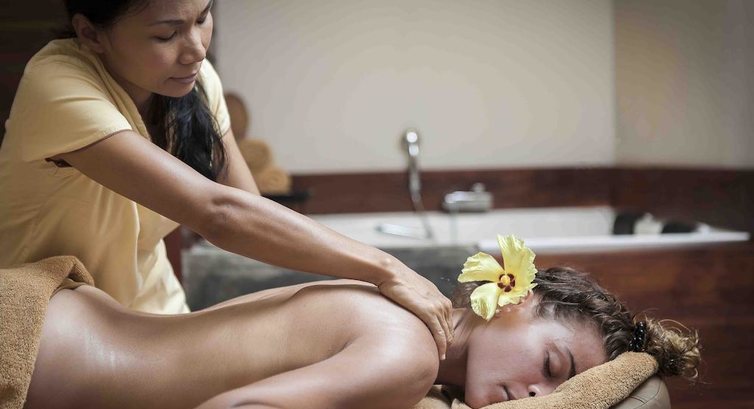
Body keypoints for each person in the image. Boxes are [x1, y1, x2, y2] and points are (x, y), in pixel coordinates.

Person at [0, 0, 453, 356]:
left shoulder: (194, 83)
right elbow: (220, 215)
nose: (197, 48)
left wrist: (363, 284)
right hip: (55, 327)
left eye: (203, 17)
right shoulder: (57, 84)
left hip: (159, 317)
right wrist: (385, 267)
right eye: (166, 34)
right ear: (90, 34)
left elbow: (250, 208)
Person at [24, 265, 701, 409]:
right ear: (514, 299)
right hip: (35, 350)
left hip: (64, 318)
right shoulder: (409, 352)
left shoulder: (411, 314)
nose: (535, 395)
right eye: (551, 365)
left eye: (557, 394)